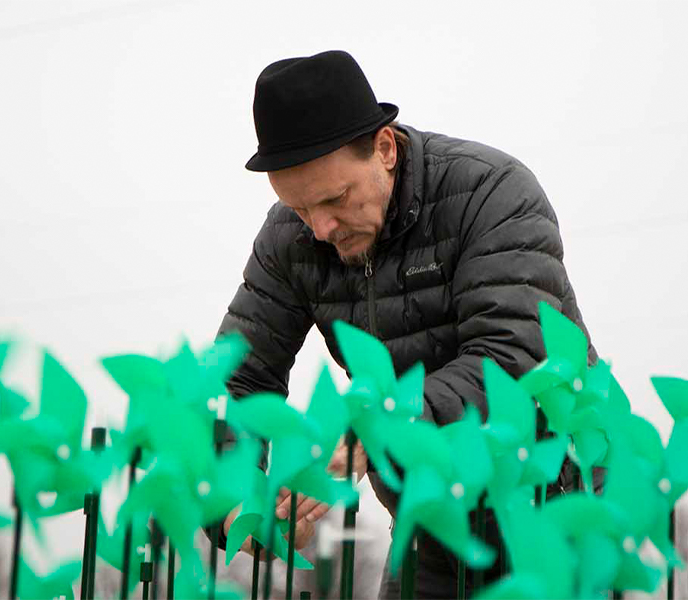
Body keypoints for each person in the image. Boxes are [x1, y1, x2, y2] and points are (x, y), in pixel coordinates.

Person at [217, 49, 597, 598]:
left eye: (335, 198)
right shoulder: (291, 240)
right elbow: (238, 378)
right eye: (300, 209)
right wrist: (236, 498)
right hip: (429, 520)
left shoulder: (493, 192)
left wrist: (378, 423)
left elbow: (511, 358)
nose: (320, 228)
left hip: (552, 504)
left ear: (386, 148)